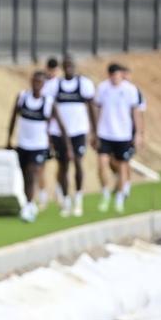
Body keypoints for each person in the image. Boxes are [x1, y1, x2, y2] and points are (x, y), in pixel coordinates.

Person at [7, 70, 67, 222]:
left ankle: (29, 205)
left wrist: (67, 147)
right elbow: (13, 119)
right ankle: (29, 202)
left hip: (39, 145)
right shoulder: (22, 98)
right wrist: (8, 139)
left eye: (40, 82)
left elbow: (61, 125)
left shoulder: (48, 102)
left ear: (44, 84)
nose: (37, 85)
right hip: (22, 144)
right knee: (24, 175)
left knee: (32, 172)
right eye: (35, 81)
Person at [42, 55, 95, 217]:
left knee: (78, 163)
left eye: (71, 65)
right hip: (58, 132)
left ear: (75, 66)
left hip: (78, 131)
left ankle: (78, 199)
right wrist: (48, 133)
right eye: (66, 66)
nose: (69, 68)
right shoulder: (54, 86)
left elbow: (92, 108)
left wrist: (95, 132)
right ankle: (65, 201)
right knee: (63, 166)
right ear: (62, 68)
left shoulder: (84, 84)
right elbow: (48, 110)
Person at [93, 63, 145, 214]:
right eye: (112, 76)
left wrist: (139, 133)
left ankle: (120, 198)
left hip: (123, 134)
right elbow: (97, 109)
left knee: (123, 166)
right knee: (102, 163)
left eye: (117, 75)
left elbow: (136, 112)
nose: (115, 79)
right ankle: (105, 192)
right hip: (105, 133)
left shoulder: (130, 90)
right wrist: (94, 131)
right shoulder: (103, 88)